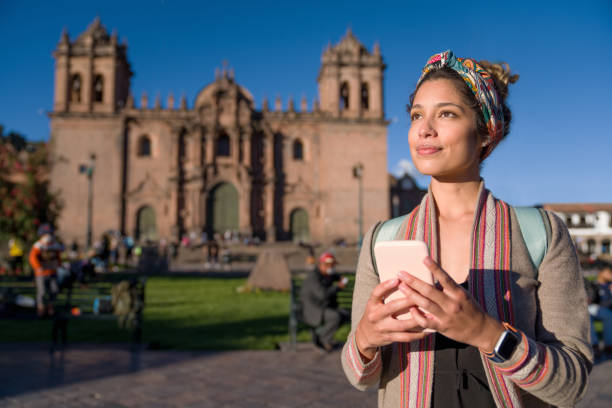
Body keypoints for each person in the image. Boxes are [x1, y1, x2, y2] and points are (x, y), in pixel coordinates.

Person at [341, 50, 592, 408]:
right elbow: (358, 375)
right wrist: (365, 339)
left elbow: (572, 384)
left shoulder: (543, 234)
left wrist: (484, 333)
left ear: (485, 134)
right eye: (416, 115)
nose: (425, 128)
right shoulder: (382, 240)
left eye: (446, 113)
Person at [301, 252, 350, 351]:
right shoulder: (313, 277)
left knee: (346, 315)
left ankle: (323, 336)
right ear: (323, 265)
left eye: (332, 266)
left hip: (324, 307)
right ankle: (323, 339)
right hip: (313, 310)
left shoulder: (326, 274)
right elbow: (322, 295)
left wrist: (340, 278)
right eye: (330, 266)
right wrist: (337, 287)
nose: (332, 268)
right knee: (335, 316)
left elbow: (335, 276)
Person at [29, 226, 62, 317]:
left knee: (54, 290)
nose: (48, 236)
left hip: (52, 271)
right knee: (42, 291)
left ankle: (50, 307)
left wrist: (59, 266)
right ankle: (41, 309)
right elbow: (32, 258)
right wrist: (37, 267)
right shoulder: (38, 246)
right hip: (41, 273)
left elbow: (58, 257)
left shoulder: (55, 245)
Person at [587, 265, 612, 353]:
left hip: (607, 310)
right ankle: (594, 344)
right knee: (587, 313)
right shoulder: (594, 284)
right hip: (595, 308)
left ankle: (609, 345)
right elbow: (591, 299)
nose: (611, 275)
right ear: (601, 273)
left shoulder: (610, 285)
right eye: (608, 273)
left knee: (609, 316)